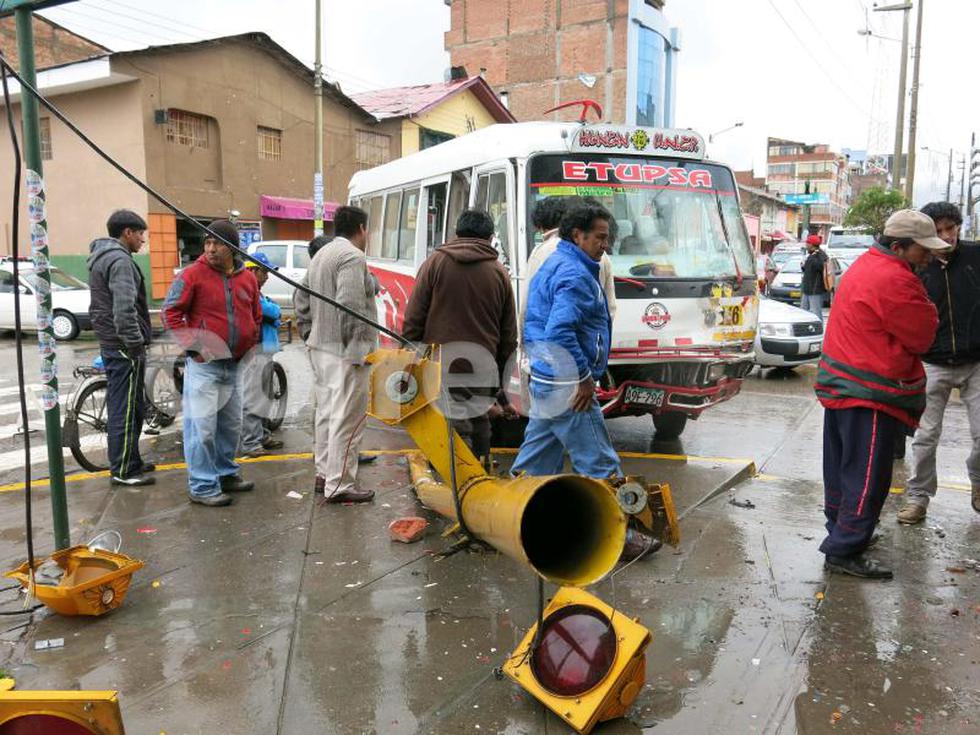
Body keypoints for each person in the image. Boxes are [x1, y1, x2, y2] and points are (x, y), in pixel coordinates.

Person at [814, 209, 944, 578]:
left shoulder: (866, 264)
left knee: (842, 470)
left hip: (842, 384)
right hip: (868, 390)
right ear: (899, 247)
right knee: (867, 477)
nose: (928, 256)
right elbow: (923, 334)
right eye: (923, 249)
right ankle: (844, 549)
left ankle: (841, 532)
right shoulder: (896, 279)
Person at [402, 209, 518, 462]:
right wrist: (499, 384)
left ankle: (456, 476)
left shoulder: (434, 264)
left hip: (440, 364)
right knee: (480, 421)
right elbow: (509, 336)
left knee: (452, 425)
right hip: (483, 364)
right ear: (491, 238)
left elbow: (413, 319)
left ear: (456, 234)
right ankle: (480, 472)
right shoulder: (499, 272)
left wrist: (411, 358)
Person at [162, 220, 261, 507]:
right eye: (207, 242)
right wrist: (195, 348)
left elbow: (254, 314)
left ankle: (226, 473)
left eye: (217, 243)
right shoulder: (192, 275)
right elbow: (170, 313)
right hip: (205, 366)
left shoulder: (248, 278)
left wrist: (250, 343)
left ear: (232, 248)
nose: (211, 248)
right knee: (202, 429)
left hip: (235, 364)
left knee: (230, 427)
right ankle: (203, 485)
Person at [897, 202, 980, 523]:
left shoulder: (975, 256)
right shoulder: (918, 264)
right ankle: (918, 497)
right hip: (932, 362)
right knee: (925, 436)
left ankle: (978, 482)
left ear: (959, 226)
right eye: (939, 230)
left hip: (975, 361)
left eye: (951, 228)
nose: (947, 236)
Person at [295, 206, 378, 503]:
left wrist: (309, 331)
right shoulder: (352, 256)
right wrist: (357, 352)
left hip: (320, 347)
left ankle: (324, 474)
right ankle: (340, 484)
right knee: (348, 419)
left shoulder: (322, 254)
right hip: (345, 352)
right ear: (361, 228)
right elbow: (350, 305)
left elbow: (301, 296)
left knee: (327, 415)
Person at [86, 210, 154, 487]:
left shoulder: (102, 257)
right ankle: (124, 469)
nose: (142, 240)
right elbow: (124, 309)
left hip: (112, 343)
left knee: (129, 406)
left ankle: (130, 460)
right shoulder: (120, 260)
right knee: (126, 410)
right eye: (140, 234)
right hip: (123, 345)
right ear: (127, 232)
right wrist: (134, 343)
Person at [521, 197, 617, 328]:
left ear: (540, 227)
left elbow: (527, 306)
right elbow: (609, 308)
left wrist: (523, 338)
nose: (605, 245)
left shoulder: (542, 252)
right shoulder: (601, 256)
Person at [239, 251, 284, 458]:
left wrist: (273, 312)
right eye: (264, 272)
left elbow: (273, 314)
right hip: (255, 350)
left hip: (265, 350)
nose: (267, 277)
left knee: (265, 396)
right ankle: (251, 442)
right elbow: (271, 312)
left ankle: (263, 435)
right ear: (252, 270)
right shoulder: (247, 291)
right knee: (253, 397)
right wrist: (274, 311)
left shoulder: (258, 293)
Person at [800, 234, 831, 320]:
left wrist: (812, 259)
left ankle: (819, 327)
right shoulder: (812, 255)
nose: (806, 245)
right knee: (803, 311)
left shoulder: (820, 255)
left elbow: (820, 267)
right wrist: (803, 266)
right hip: (807, 289)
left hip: (815, 289)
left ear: (812, 244)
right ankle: (804, 326)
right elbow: (808, 270)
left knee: (816, 312)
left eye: (807, 243)